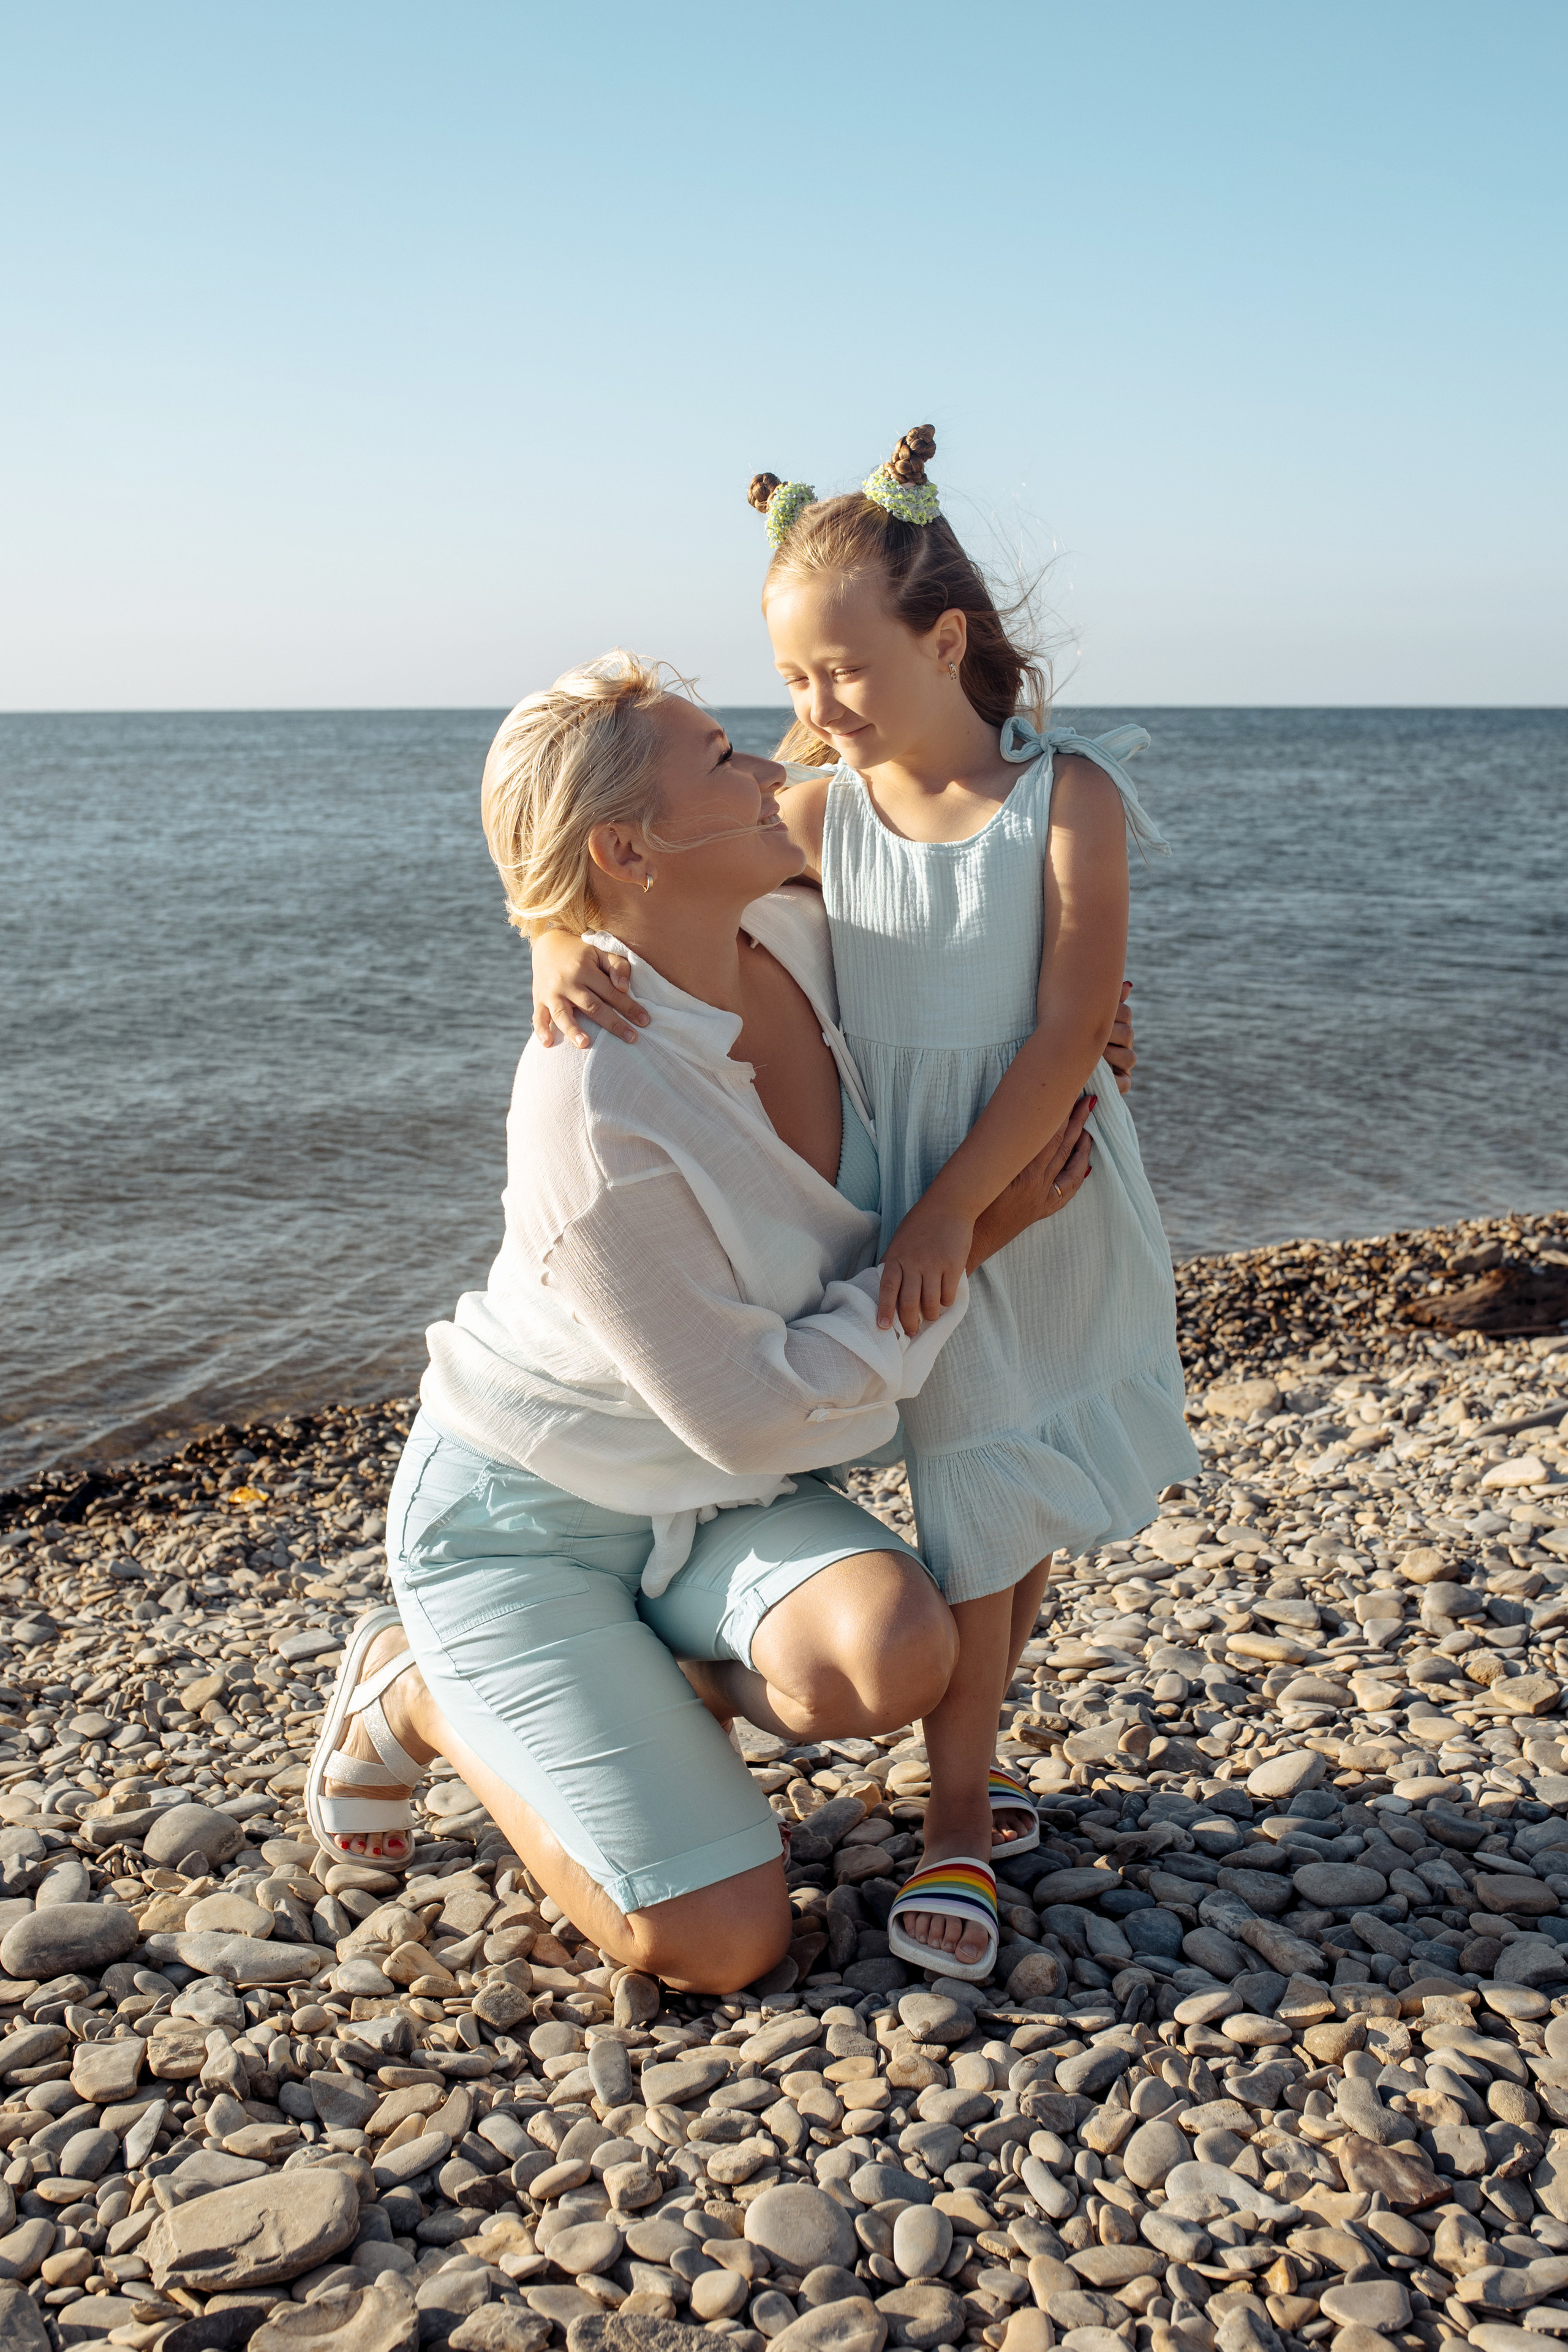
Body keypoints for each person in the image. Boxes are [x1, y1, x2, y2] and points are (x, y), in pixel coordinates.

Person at [306, 653, 1096, 1997]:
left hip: (719, 1499)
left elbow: (985, 968)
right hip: (524, 1520)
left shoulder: (793, 923)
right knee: (724, 1943)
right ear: (631, 845)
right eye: (725, 762)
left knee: (898, 1651)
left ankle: (636, 1690)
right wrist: (966, 1233)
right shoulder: (595, 1106)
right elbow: (751, 1409)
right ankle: (414, 1690)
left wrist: (1083, 1047)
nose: (776, 772)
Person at [531, 428, 1197, 1981]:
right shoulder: (821, 818)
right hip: (903, 1198)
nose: (809, 715)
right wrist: (550, 943)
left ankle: (955, 1803)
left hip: (1023, 1183)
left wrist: (957, 1211)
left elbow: (1063, 1025)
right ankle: (949, 1791)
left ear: (940, 638)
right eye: (791, 682)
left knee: (995, 1502)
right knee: (977, 1499)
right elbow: (643, 909)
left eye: (839, 672)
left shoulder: (1066, 800)